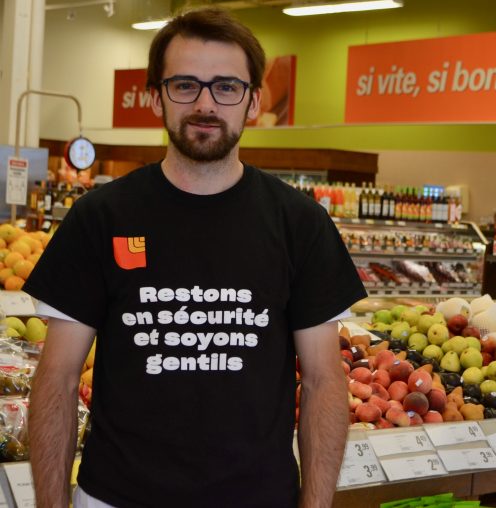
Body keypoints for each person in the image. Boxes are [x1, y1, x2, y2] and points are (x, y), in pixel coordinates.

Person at [25, 8, 366, 508]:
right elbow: (56, 377)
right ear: (155, 96)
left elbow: (323, 382)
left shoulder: (301, 224)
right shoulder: (99, 218)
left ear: (253, 102)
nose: (206, 103)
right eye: (185, 85)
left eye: (227, 87)